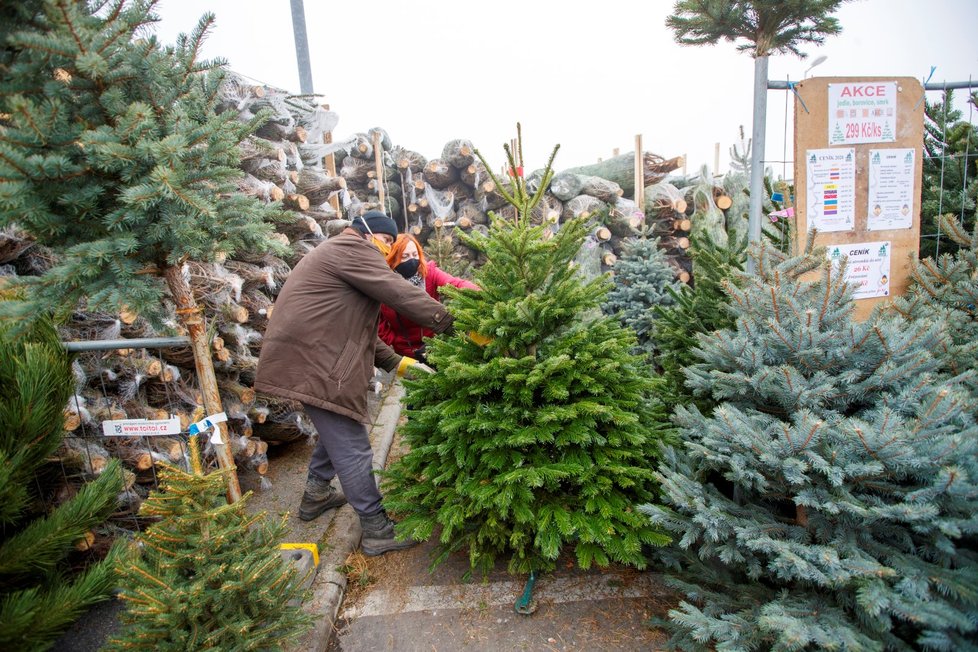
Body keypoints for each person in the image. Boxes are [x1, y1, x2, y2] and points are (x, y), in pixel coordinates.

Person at [254, 210, 453, 556]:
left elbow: (361, 326)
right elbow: (400, 294)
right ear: (366, 232)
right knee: (353, 444)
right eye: (387, 240)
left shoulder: (340, 254)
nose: (387, 248)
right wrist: (450, 321)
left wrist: (396, 362)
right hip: (315, 362)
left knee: (338, 425)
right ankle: (376, 529)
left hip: (312, 357)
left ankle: (316, 494)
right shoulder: (352, 249)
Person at [379, 234, 478, 362]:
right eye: (405, 256)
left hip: (433, 347)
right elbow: (379, 323)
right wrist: (393, 342)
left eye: (415, 255)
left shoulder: (429, 273)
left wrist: (480, 293)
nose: (412, 260)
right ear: (393, 258)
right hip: (402, 354)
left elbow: (455, 284)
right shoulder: (383, 284)